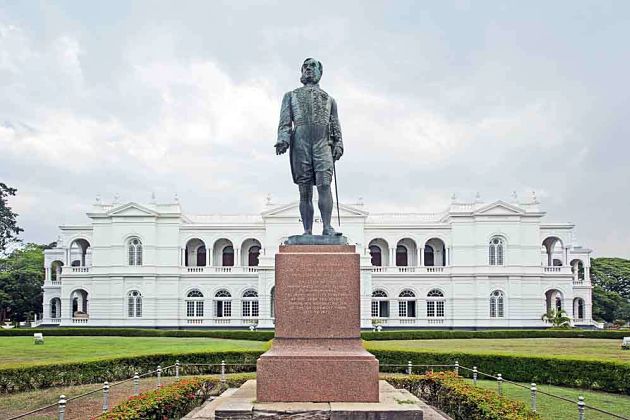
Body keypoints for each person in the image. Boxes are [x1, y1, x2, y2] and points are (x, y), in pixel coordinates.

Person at [274, 58, 343, 236]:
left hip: (323, 144)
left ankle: (327, 227)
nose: (308, 69)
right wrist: (283, 139)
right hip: (300, 144)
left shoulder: (330, 99)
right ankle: (307, 230)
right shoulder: (291, 95)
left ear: (320, 72)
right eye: (305, 66)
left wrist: (339, 144)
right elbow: (285, 122)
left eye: (313, 66)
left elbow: (335, 124)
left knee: (324, 185)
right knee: (304, 190)